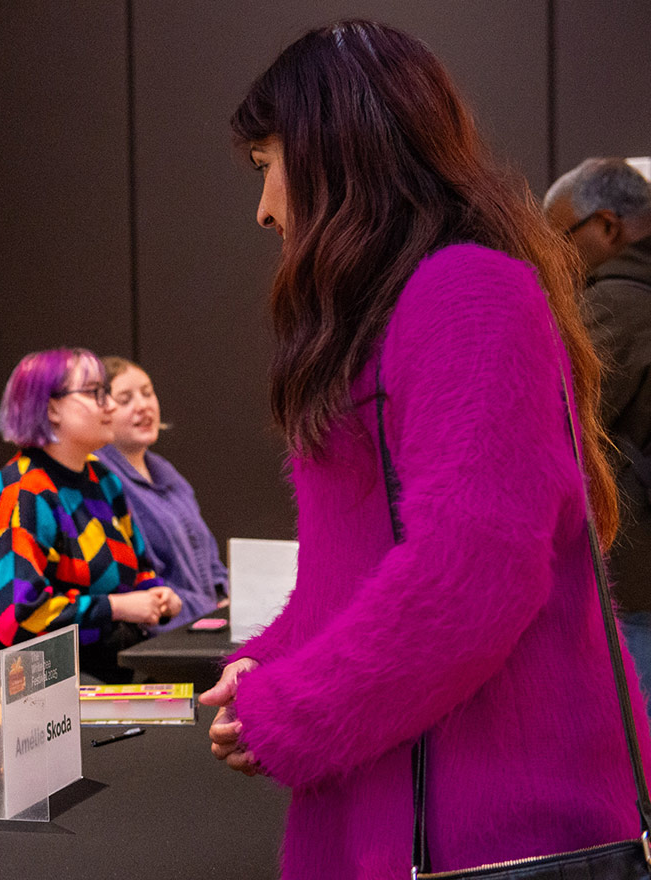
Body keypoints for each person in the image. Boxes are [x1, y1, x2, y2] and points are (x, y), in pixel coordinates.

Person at [199, 20, 651, 879]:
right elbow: (358, 570)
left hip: (494, 826)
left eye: (269, 165)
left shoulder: (466, 292)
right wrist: (270, 661)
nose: (265, 209)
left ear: (338, 148)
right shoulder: (405, 308)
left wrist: (288, 709)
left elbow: (470, 574)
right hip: (419, 805)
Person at [0, 347, 182, 683]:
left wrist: (158, 596)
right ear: (51, 408)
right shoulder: (19, 492)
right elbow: (16, 616)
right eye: (94, 393)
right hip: (35, 680)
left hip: (105, 662)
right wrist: (118, 607)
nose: (109, 405)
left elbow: (139, 572)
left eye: (106, 393)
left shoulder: (102, 479)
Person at [545, 158, 651, 709]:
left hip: (635, 582)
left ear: (607, 226)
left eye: (561, 239)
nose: (555, 261)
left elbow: (553, 425)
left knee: (632, 756)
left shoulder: (611, 304)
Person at [96, 356, 229, 630]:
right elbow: (136, 578)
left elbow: (209, 558)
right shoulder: (100, 479)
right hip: (160, 632)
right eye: (125, 399)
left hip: (200, 624)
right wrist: (206, 610)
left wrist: (226, 596)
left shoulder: (167, 473)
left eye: (147, 393)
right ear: (103, 410)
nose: (143, 406)